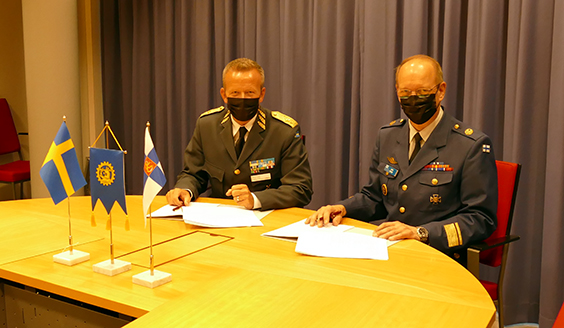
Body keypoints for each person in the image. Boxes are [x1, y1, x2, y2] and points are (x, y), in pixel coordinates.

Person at [306, 54, 497, 263]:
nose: (413, 98)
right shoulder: (388, 135)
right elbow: (375, 197)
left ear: (440, 91)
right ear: (397, 92)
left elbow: (480, 219)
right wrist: (342, 208)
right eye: (406, 92)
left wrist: (421, 233)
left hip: (439, 256)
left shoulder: (470, 145)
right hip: (391, 250)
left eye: (423, 92)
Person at [167, 58, 313, 210]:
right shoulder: (206, 126)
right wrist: (185, 189)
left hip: (268, 219)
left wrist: (255, 200)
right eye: (235, 93)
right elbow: (193, 174)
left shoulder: (284, 132)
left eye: (250, 93)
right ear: (224, 95)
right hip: (217, 218)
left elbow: (300, 188)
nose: (242, 99)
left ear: (261, 94)